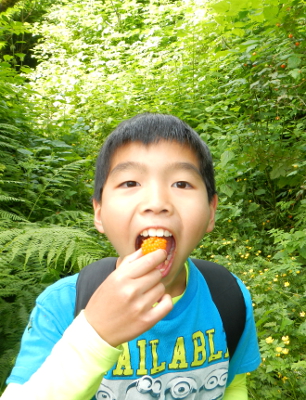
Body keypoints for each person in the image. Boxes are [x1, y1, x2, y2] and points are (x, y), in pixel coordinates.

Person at [1, 113, 261, 400]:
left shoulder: (227, 295)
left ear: (211, 212)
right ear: (99, 213)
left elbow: (233, 384)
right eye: (130, 183)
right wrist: (95, 334)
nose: (156, 203)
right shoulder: (62, 305)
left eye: (182, 184)